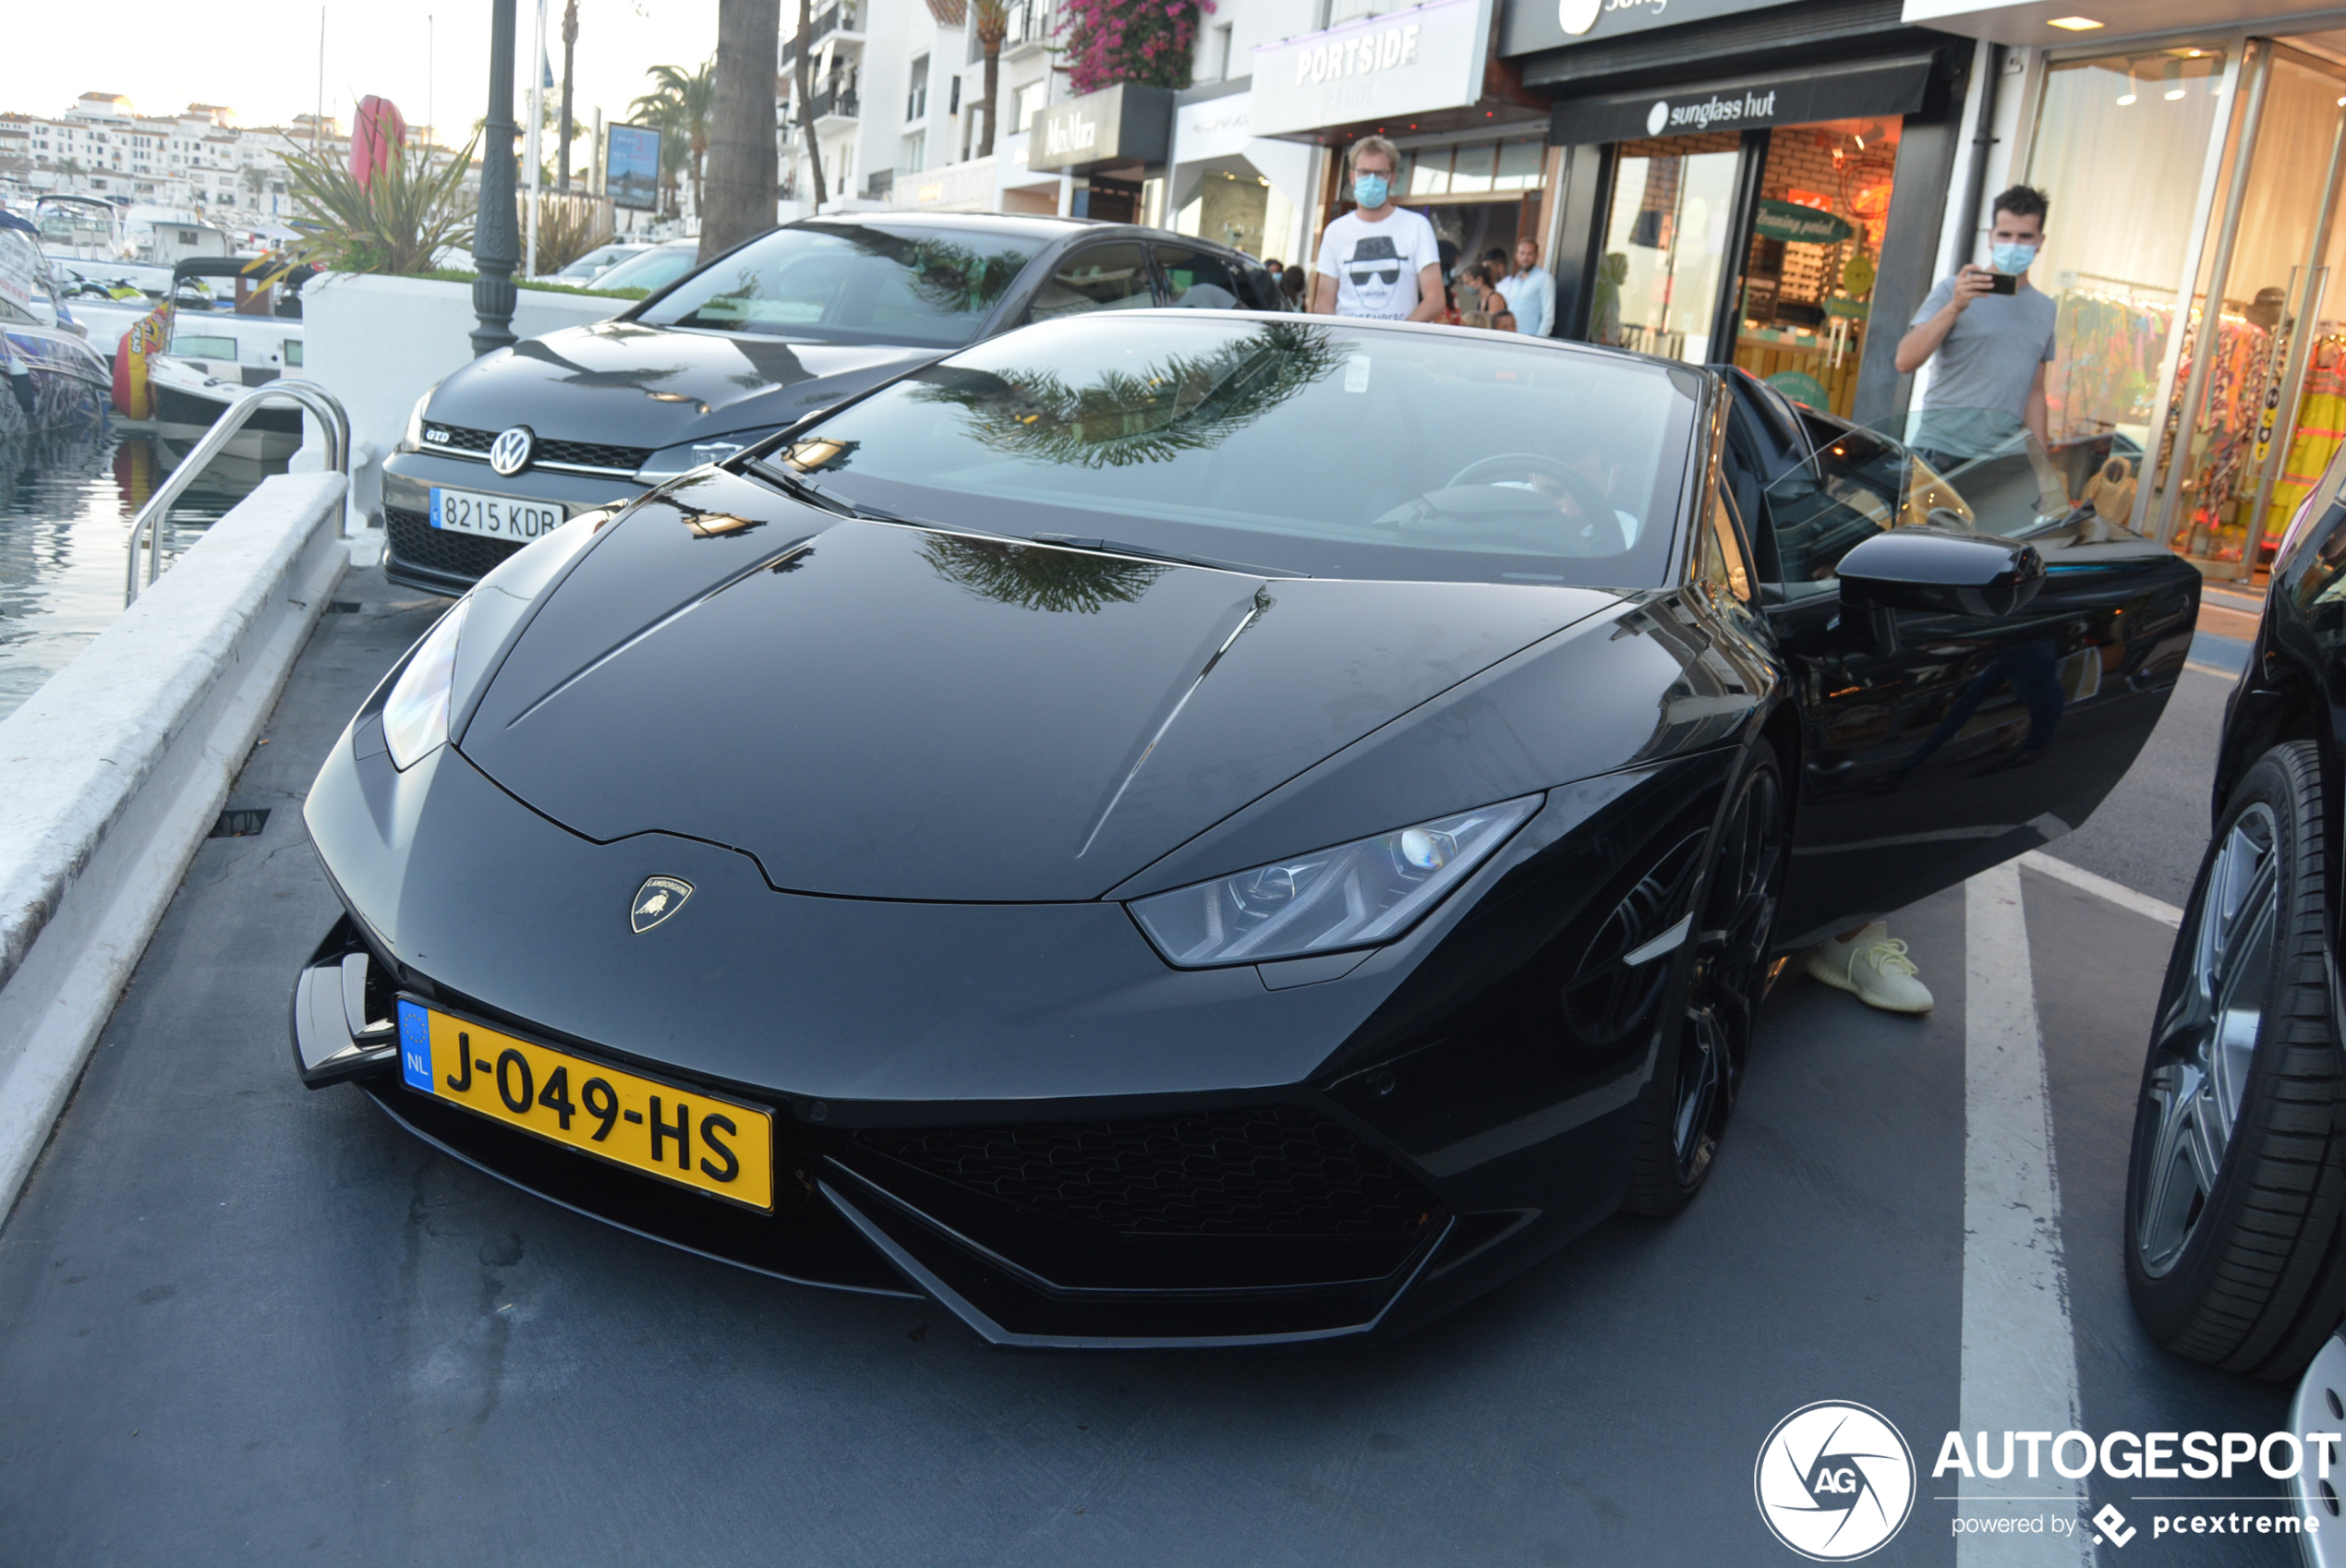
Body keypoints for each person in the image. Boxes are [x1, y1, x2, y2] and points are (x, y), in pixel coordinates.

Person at [1895, 185, 2058, 451]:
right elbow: (1905, 360)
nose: (2013, 245)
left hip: (2001, 461)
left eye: (2025, 236)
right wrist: (1955, 307)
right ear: (1991, 238)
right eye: (2005, 235)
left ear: (2040, 242)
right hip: (1941, 448)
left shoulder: (2045, 309)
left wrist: (2042, 472)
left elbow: (2035, 392)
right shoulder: (1954, 290)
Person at [1312, 136, 1443, 321]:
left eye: (1380, 173)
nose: (1371, 180)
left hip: (1399, 348)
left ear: (1392, 178)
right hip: (1349, 347)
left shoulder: (1417, 227)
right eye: (1364, 172)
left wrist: (1396, 337)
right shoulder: (1335, 232)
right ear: (1352, 177)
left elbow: (1435, 299)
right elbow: (1323, 302)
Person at [1494, 237, 1554, 338]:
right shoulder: (1516, 280)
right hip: (1510, 337)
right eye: (1522, 253)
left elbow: (1548, 316)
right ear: (1516, 255)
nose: (1525, 258)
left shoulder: (1544, 278)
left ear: (1537, 256)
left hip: (1529, 340)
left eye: (1530, 254)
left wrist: (1538, 341)